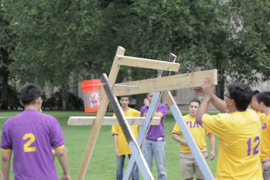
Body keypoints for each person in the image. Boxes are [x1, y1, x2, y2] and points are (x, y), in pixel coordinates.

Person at [192, 76, 262, 180]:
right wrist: (210, 95)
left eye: (226, 96)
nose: (225, 98)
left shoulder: (225, 122)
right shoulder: (254, 116)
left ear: (232, 102)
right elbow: (228, 108)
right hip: (254, 177)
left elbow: (200, 118)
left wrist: (206, 97)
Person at [1, 83, 70, 180]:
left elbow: (5, 157)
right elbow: (61, 152)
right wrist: (66, 173)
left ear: (21, 102)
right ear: (39, 100)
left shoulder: (9, 124)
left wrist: (6, 178)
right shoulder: (51, 121)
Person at [172, 99, 215, 180]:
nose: (193, 109)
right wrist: (183, 141)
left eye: (196, 107)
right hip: (186, 154)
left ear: (199, 108)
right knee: (188, 178)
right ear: (189, 108)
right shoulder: (182, 119)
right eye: (191, 106)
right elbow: (174, 134)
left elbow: (211, 135)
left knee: (202, 178)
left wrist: (213, 150)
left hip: (201, 153)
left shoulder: (203, 119)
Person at [111, 96, 140, 180]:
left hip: (133, 145)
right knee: (119, 169)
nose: (124, 102)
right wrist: (116, 147)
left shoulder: (135, 112)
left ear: (129, 101)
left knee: (134, 169)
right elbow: (115, 132)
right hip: (121, 145)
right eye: (122, 100)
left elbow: (145, 117)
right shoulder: (116, 114)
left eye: (126, 100)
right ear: (120, 101)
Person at [140, 92, 167, 180]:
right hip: (146, 140)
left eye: (155, 96)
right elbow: (141, 124)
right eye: (150, 96)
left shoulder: (162, 107)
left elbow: (157, 116)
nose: (152, 98)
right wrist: (140, 139)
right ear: (147, 97)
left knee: (161, 167)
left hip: (158, 140)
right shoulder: (143, 109)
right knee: (147, 167)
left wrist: (148, 107)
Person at [257, 91, 270, 179]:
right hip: (262, 160)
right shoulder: (265, 117)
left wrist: (269, 162)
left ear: (261, 103)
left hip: (267, 162)